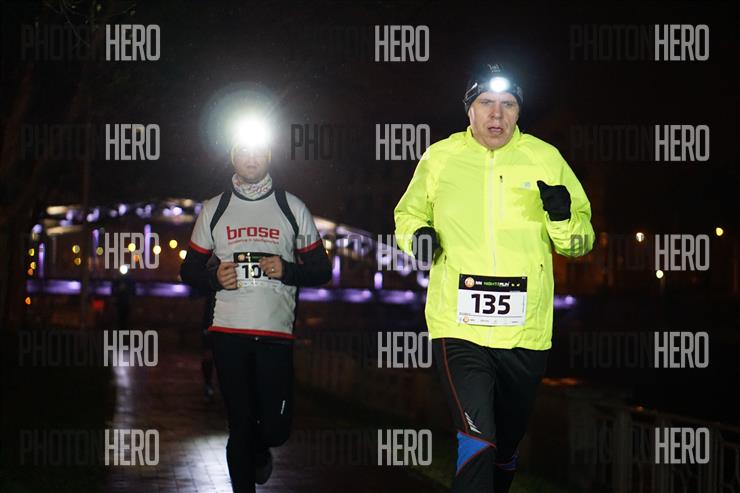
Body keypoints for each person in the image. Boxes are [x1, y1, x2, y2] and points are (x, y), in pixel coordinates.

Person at [394, 63, 595, 492]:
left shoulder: (545, 158)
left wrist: (562, 217)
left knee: (504, 445)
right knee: (477, 436)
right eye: (486, 102)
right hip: (458, 326)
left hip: (524, 332)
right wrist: (419, 237)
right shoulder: (440, 157)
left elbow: (580, 242)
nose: (497, 114)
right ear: (469, 109)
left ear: (519, 111)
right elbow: (408, 215)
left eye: (508, 104)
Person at [180, 118, 331, 493]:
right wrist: (214, 278)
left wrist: (288, 270)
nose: (251, 157)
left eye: (258, 151)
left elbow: (321, 270)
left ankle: (261, 450)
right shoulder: (214, 208)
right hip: (228, 333)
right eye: (243, 151)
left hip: (276, 336)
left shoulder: (292, 207)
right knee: (240, 426)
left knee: (276, 429)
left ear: (269, 155)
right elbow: (188, 270)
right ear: (234, 156)